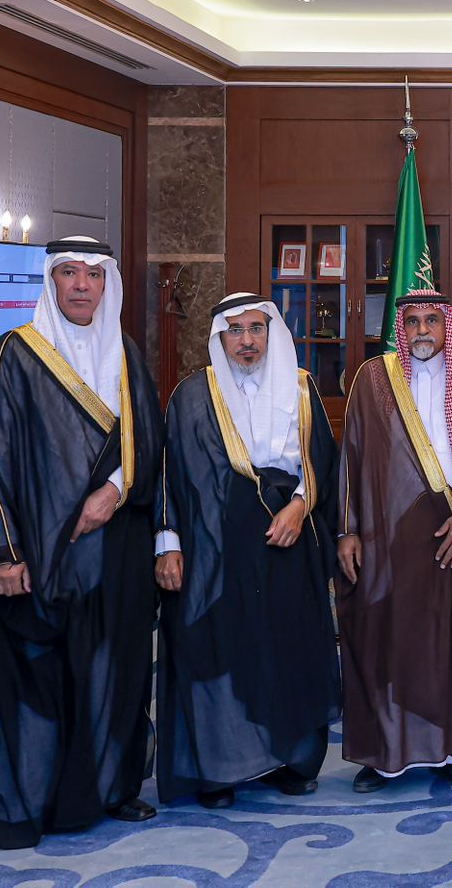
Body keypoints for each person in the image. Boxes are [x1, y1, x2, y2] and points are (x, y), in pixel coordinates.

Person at [0, 237, 163, 852]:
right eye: (69, 273)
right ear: (51, 282)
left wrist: (114, 493)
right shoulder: (16, 354)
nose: (81, 285)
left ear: (107, 285)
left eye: (93, 275)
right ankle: (17, 807)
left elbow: (149, 442)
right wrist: (2, 554)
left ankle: (110, 789)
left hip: (114, 553)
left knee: (111, 674)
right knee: (29, 684)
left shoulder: (126, 355)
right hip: (38, 557)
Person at [153, 293, 341, 809]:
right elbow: (169, 472)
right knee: (221, 649)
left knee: (288, 650)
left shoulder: (301, 387)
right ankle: (220, 769)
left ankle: (291, 760)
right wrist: (168, 543)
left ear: (271, 332)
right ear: (220, 337)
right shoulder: (193, 394)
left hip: (288, 543)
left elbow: (323, 460)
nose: (247, 341)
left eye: (256, 328)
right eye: (234, 331)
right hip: (216, 548)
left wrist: (299, 508)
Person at [336, 289, 452, 793]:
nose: (421, 330)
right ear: (401, 328)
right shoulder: (374, 378)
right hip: (389, 534)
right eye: (412, 321)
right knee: (387, 637)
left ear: (447, 325)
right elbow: (352, 455)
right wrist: (347, 529)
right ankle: (384, 756)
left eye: (431, 320)